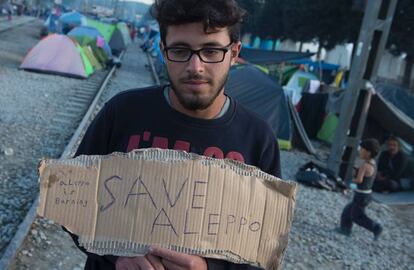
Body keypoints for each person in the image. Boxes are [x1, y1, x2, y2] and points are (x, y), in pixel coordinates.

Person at [65, 1, 281, 269]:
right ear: (163, 50)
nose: (195, 66)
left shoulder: (258, 139)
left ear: (234, 53)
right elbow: (71, 203)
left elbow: (263, 247)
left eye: (211, 50)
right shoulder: (121, 113)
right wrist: (116, 257)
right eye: (180, 50)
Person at [338, 139, 383, 240]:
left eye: (362, 149)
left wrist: (348, 181)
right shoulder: (373, 164)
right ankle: (345, 229)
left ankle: (376, 227)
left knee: (357, 217)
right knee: (347, 211)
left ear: (368, 152)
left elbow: (359, 180)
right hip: (366, 194)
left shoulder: (364, 165)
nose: (360, 151)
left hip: (361, 195)